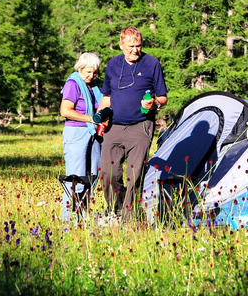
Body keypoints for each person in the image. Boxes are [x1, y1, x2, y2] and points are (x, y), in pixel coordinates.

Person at [98, 26, 168, 220]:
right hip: (114, 126)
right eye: (131, 46)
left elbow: (162, 97)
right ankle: (119, 209)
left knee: (135, 175)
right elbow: (107, 96)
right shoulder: (112, 64)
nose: (135, 50)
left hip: (141, 126)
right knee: (107, 173)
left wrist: (154, 103)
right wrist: (98, 116)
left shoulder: (151, 63)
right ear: (121, 45)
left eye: (138, 45)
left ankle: (131, 219)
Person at [59, 52, 107, 221]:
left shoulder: (93, 86)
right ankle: (68, 219)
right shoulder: (73, 83)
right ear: (79, 67)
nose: (91, 75)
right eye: (88, 72)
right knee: (76, 178)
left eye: (94, 72)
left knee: (92, 175)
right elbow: (65, 110)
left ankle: (83, 217)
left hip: (93, 133)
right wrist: (90, 118)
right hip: (76, 133)